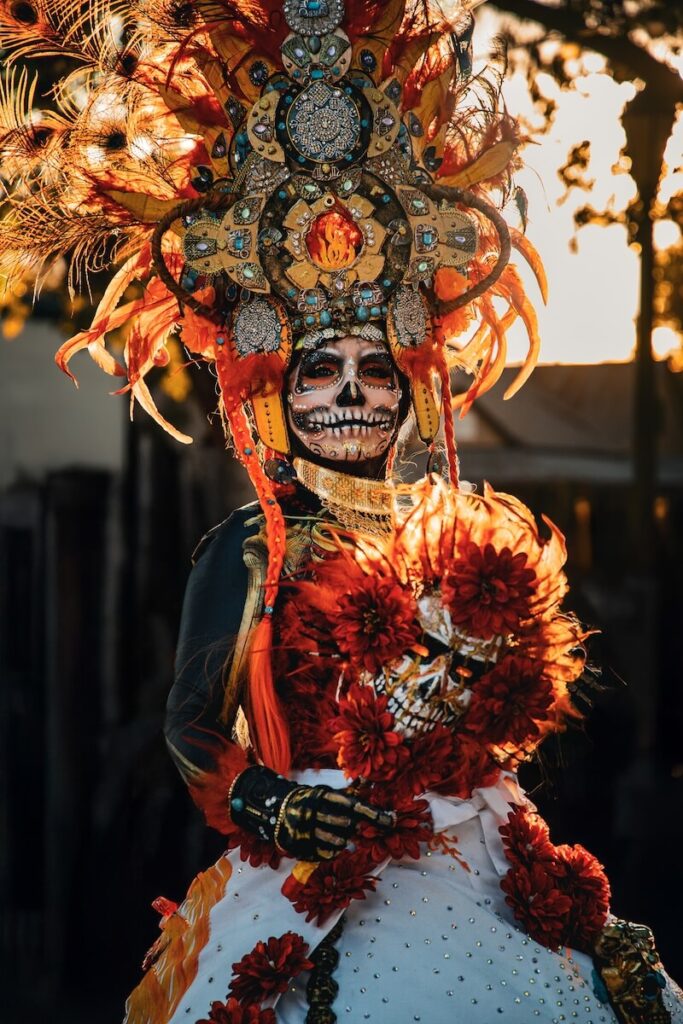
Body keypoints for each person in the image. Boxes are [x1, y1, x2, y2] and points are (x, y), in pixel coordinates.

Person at [2, 0, 681, 1020]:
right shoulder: (244, 548)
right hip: (311, 866)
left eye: (375, 369)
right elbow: (190, 722)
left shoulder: (446, 541)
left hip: (473, 855)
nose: (354, 393)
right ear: (276, 389)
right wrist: (270, 801)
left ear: (412, 384)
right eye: (322, 370)